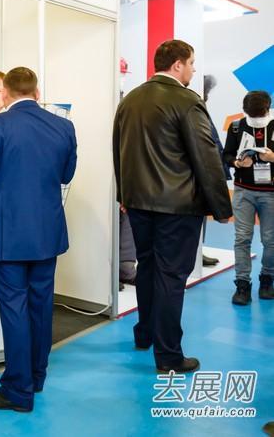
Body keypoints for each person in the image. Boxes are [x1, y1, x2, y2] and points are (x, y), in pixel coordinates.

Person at [0, 67, 76, 413]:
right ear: (37, 93)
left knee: (14, 309)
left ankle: (17, 390)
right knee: (41, 305)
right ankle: (36, 376)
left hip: (5, 235)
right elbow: (66, 174)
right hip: (46, 233)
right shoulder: (63, 126)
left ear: (6, 94)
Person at [113, 39, 232, 374]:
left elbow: (118, 150)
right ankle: (168, 356)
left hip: (138, 204)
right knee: (171, 277)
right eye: (191, 63)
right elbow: (206, 158)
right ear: (177, 64)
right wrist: (222, 207)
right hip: (177, 208)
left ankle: (145, 334)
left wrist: (124, 195)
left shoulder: (131, 100)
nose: (193, 70)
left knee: (148, 268)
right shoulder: (187, 101)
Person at [222, 90, 274, 305]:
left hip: (271, 193)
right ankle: (242, 284)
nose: (256, 119)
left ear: (267, 109)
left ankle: (267, 279)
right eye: (251, 115)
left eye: (259, 115)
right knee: (242, 238)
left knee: (270, 240)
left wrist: (272, 157)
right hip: (243, 191)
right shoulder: (236, 126)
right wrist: (237, 163)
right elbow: (226, 154)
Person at [201, 74, 230, 267]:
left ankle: (197, 251)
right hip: (198, 174)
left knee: (202, 215)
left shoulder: (201, 109)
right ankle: (195, 253)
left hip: (207, 173)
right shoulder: (194, 109)